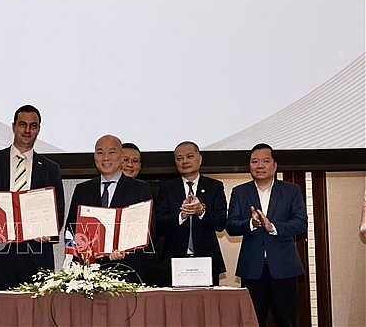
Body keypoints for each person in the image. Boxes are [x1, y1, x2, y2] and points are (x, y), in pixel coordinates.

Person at [0, 104, 65, 290]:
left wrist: (49, 231)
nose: (27, 130)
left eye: (33, 126)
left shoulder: (51, 168)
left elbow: (58, 210)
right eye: (22, 124)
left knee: (35, 316)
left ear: (38, 130)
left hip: (35, 256)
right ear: (13, 127)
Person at [226, 143, 308, 327]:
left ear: (274, 165)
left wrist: (273, 227)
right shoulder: (240, 192)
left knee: (287, 320)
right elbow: (230, 225)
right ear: (250, 166)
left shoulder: (291, 190)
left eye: (265, 161)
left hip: (284, 267)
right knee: (252, 321)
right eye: (254, 161)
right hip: (252, 269)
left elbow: (301, 223)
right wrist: (251, 224)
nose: (259, 165)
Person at [65, 134, 154, 283]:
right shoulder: (82, 189)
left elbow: (149, 229)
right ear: (94, 158)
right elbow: (72, 228)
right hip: (89, 275)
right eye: (100, 152)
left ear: (121, 157)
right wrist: (88, 254)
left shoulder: (140, 189)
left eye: (111, 152)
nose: (105, 157)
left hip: (127, 272)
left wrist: (125, 249)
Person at [156, 141, 227, 286]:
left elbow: (220, 223)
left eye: (189, 156)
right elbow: (159, 223)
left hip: (207, 258)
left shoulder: (214, 186)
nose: (184, 161)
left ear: (200, 159)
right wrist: (181, 216)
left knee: (207, 305)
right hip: (174, 259)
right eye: (179, 158)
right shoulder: (166, 187)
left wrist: (201, 211)